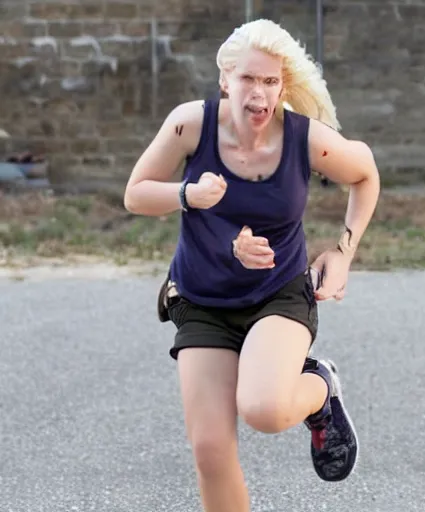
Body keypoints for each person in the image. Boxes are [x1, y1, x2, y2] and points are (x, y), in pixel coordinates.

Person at [124, 18, 380, 512]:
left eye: (270, 81)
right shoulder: (190, 125)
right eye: (248, 79)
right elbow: (136, 193)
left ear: (282, 86)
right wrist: (188, 194)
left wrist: (342, 253)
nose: (258, 93)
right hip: (202, 299)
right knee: (210, 450)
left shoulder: (305, 138)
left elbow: (365, 172)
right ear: (225, 79)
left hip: (278, 293)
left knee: (263, 409)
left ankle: (319, 390)